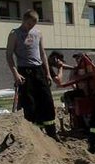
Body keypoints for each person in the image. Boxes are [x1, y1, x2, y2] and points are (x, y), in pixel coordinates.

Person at [5, 9, 59, 140]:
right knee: (29, 103)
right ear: (24, 20)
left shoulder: (38, 33)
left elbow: (42, 54)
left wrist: (48, 73)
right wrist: (15, 74)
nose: (31, 27)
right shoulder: (14, 34)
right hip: (24, 71)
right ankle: (35, 134)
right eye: (29, 24)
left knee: (46, 100)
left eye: (34, 24)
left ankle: (51, 132)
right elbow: (8, 55)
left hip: (39, 70)